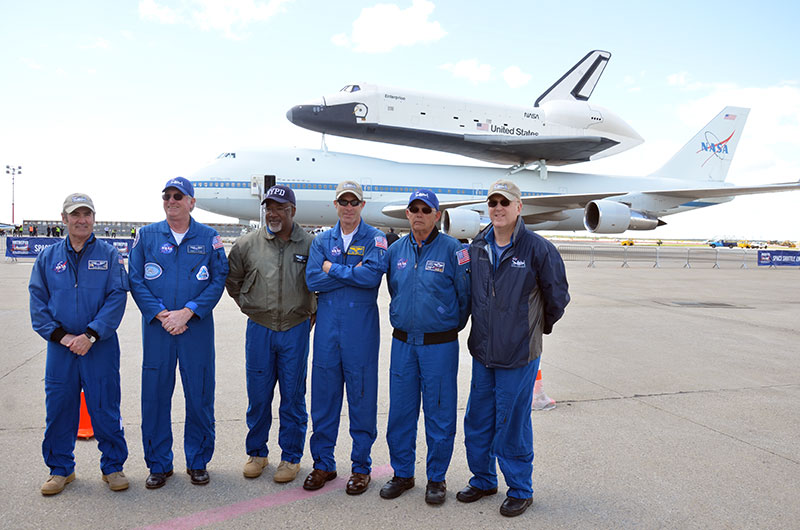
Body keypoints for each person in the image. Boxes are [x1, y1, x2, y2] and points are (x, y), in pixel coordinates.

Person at [457, 179, 569, 517]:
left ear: (519, 207)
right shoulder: (476, 247)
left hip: (519, 354)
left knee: (512, 422)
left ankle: (520, 488)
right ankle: (483, 478)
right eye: (492, 202)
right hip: (483, 352)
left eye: (505, 202)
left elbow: (557, 297)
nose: (498, 208)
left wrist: (534, 329)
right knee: (478, 419)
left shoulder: (537, 248)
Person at [129, 177, 229, 489]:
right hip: (158, 330)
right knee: (155, 397)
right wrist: (161, 314)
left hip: (195, 328)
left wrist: (189, 311)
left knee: (199, 396)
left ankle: (198, 461)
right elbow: (135, 278)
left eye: (178, 196)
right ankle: (158, 464)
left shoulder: (210, 237)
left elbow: (218, 278)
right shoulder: (146, 236)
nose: (171, 201)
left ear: (191, 202)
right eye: (167, 196)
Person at [28, 193, 130, 495]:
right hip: (61, 348)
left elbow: (116, 298)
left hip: (99, 346)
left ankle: (112, 467)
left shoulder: (110, 255)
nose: (81, 220)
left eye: (87, 214)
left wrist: (91, 335)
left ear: (94, 219)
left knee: (105, 407)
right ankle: (61, 469)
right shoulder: (47, 258)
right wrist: (62, 336)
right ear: (64, 219)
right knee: (59, 408)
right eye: (75, 215)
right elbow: (38, 301)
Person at [379, 189, 470, 505]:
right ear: (407, 214)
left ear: (436, 214)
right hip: (403, 345)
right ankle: (403, 474)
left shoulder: (453, 250)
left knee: (440, 414)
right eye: (413, 209)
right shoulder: (395, 251)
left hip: (439, 347)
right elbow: (394, 289)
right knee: (400, 414)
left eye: (425, 209)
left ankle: (436, 479)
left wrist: (444, 324)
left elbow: (464, 297)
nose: (419, 214)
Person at [225, 185, 316, 484]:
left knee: (293, 396)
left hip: (295, 329)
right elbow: (233, 280)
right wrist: (251, 307)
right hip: (260, 328)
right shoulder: (246, 244)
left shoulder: (311, 244)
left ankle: (290, 457)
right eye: (269, 208)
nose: (273, 213)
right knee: (259, 395)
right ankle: (257, 453)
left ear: (292, 210)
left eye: (279, 207)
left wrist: (309, 314)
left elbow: (320, 285)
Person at [303, 180, 387, 495]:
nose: (348, 207)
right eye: (343, 202)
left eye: (354, 202)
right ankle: (323, 464)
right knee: (323, 400)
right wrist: (349, 272)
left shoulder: (376, 238)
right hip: (326, 332)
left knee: (362, 399)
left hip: (360, 334)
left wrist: (333, 270)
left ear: (362, 206)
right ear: (335, 205)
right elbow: (313, 277)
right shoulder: (321, 240)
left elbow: (370, 278)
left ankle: (361, 467)